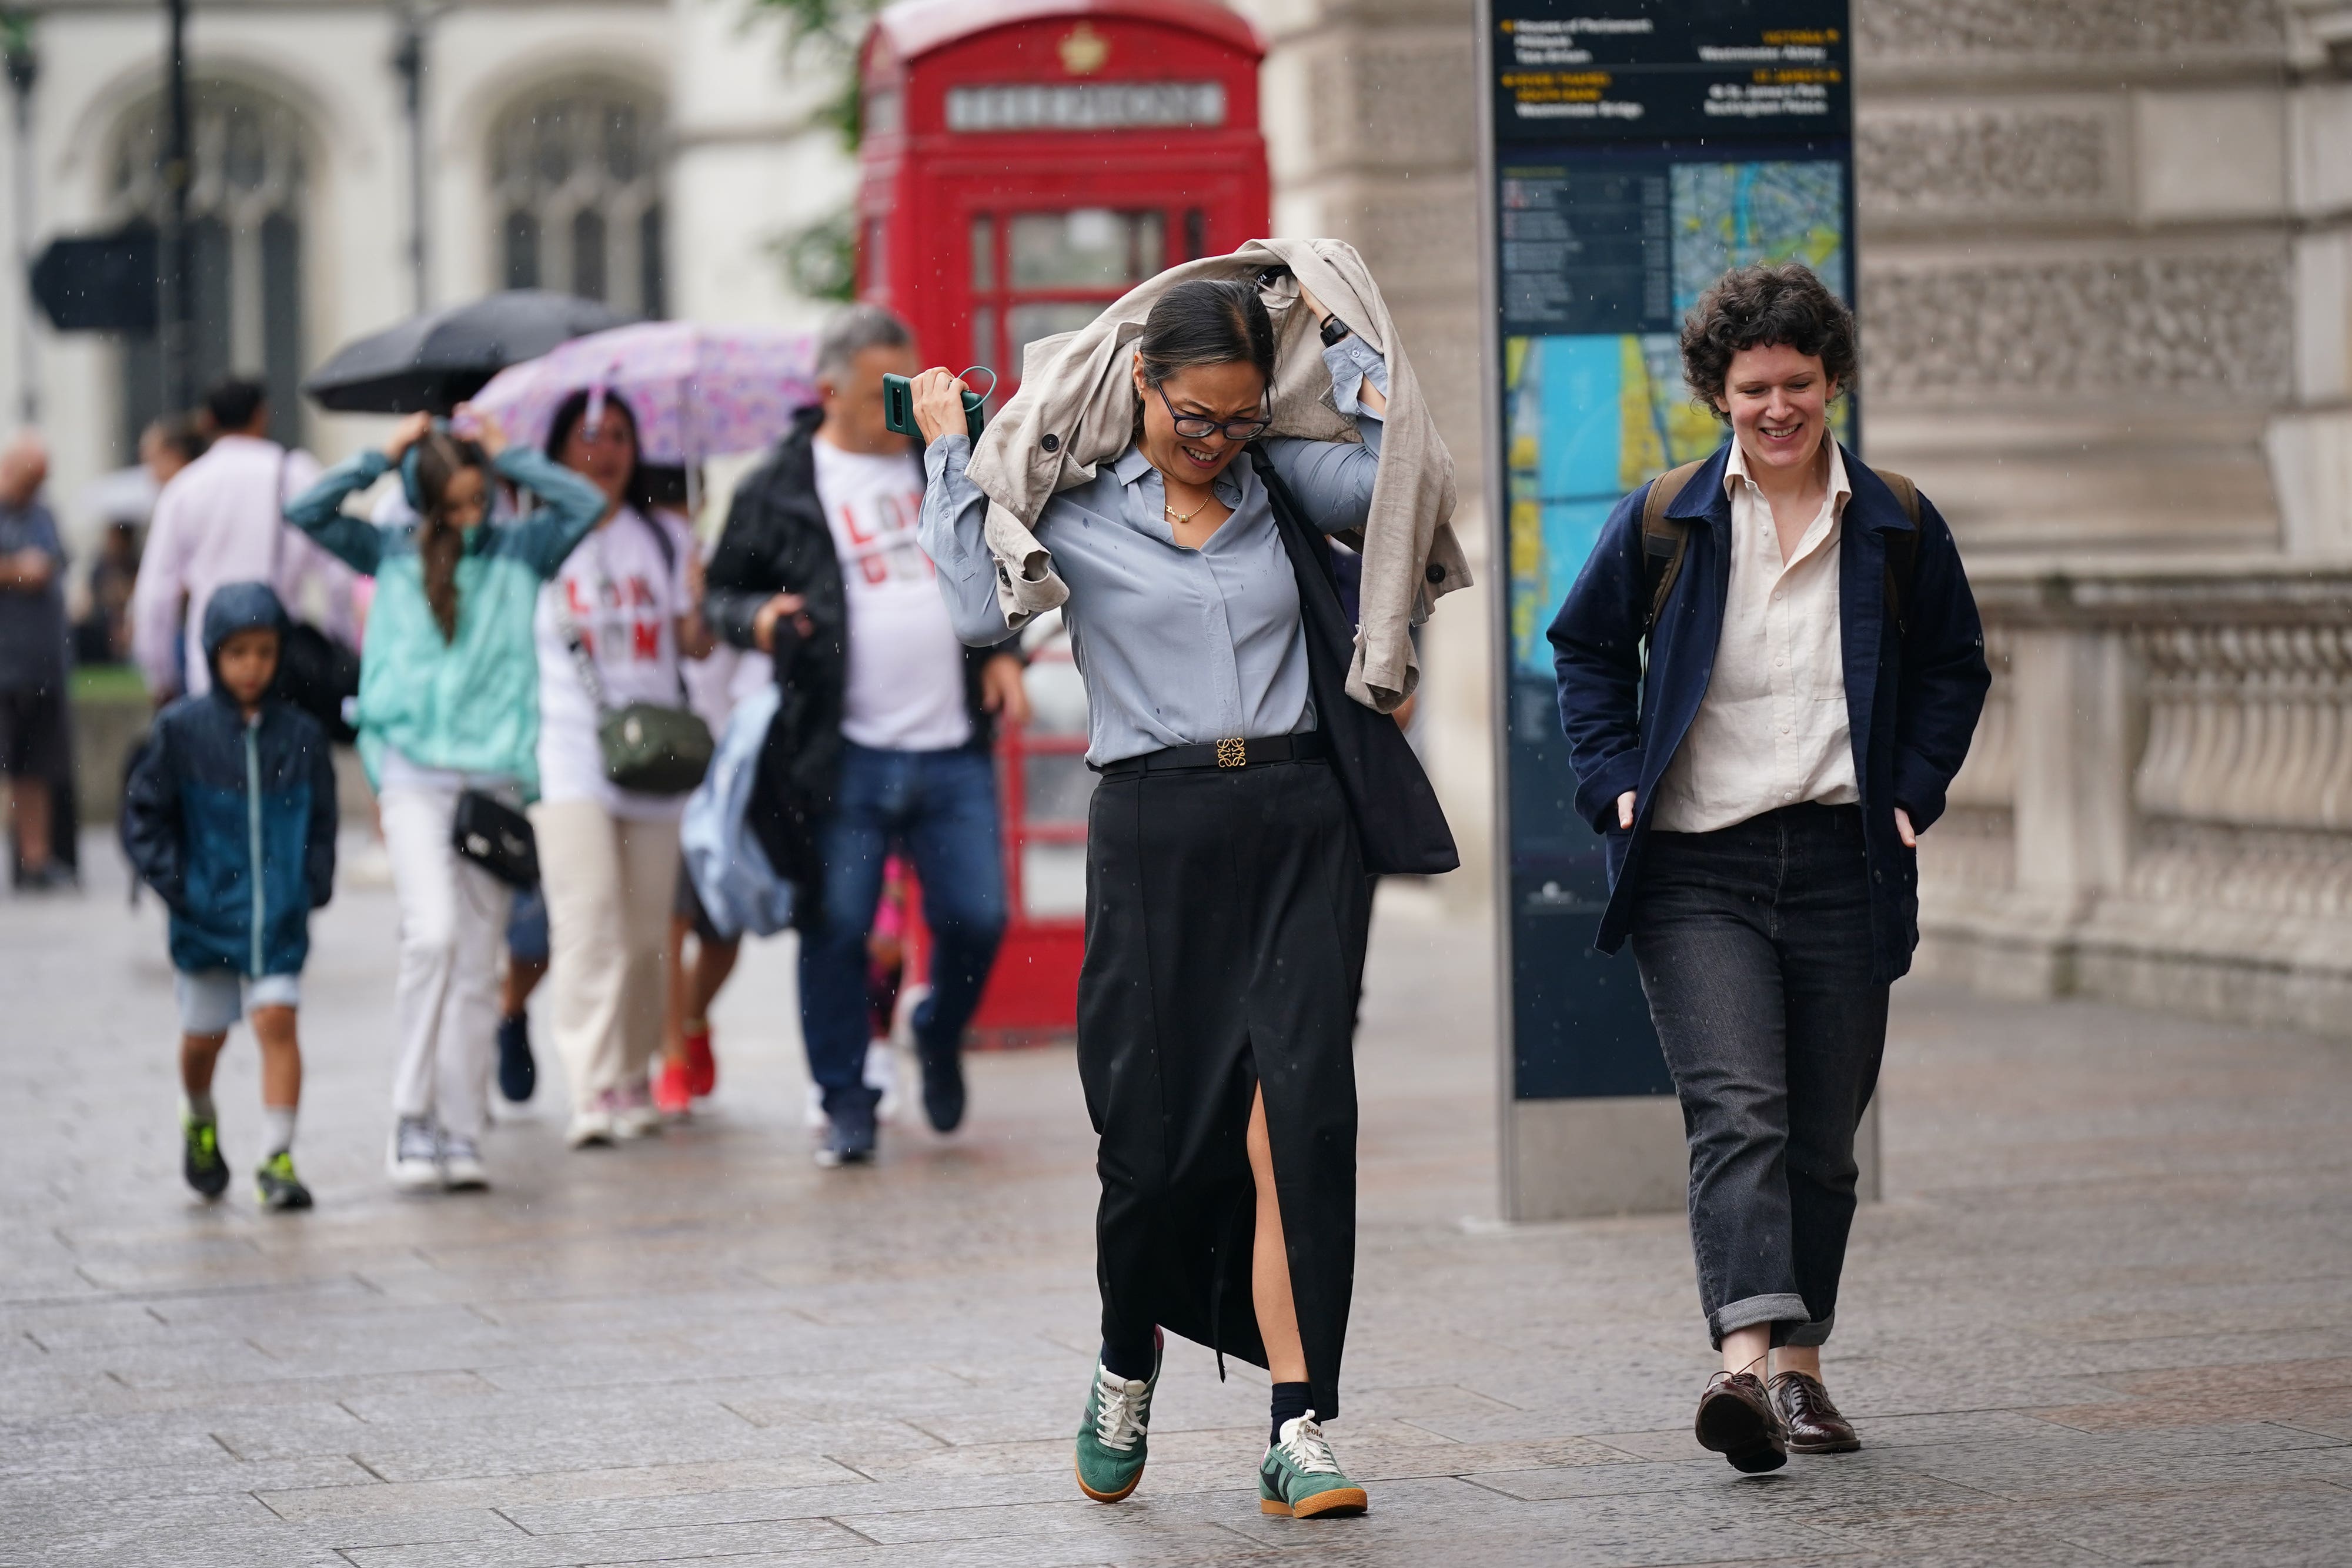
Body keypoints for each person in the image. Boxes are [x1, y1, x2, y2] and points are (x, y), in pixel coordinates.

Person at [914, 278, 1400, 1520]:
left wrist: (1351, 361)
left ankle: (1301, 1422)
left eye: (1241, 419)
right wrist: (947, 455)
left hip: (1298, 824)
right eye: (1197, 416)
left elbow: (1401, 493)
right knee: (1153, 1148)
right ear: (1141, 381)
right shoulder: (1074, 510)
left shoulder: (1284, 482)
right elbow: (977, 614)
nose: (1217, 442)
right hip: (1154, 828)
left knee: (1302, 1123)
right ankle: (1128, 1354)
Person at [1549, 262, 1990, 1473]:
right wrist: (1610, 781)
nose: (1777, 406)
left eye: (1797, 383)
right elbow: (1583, 651)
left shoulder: (1895, 519)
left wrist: (1910, 789)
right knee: (1736, 1108)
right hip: (1697, 866)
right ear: (1716, 392)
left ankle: (1799, 1370)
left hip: (1845, 859)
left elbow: (1955, 665)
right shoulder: (1666, 516)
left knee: (1820, 1140)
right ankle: (1742, 1363)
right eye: (1753, 387)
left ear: (1831, 382)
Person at [704, 304, 1027, 1167]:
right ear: (829, 392)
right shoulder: (777, 485)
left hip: (952, 743)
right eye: (889, 391)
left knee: (979, 916)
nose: (908, 406)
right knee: (837, 924)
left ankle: (939, 1025)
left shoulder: (948, 457)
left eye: (915, 386)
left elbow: (1008, 553)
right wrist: (756, 617)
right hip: (839, 751)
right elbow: (717, 596)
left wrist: (1006, 653)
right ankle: (847, 1096)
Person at [284, 407, 606, 1192]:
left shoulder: (520, 549)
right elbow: (306, 511)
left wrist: (510, 455)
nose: (468, 517)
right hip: (413, 779)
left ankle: (461, 1130)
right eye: (453, 504)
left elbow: (585, 505)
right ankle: (410, 1115)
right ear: (424, 503)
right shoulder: (388, 550)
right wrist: (379, 455)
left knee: (474, 965)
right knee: (430, 937)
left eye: (478, 499)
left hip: (493, 783)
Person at [121, 582, 336, 1210]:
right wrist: (181, 887)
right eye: (238, 652)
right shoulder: (181, 731)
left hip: (278, 919)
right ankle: (198, 1112)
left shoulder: (301, 734)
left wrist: (312, 883)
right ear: (214, 654)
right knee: (203, 1037)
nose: (252, 667)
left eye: (266, 652)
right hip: (206, 920)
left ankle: (277, 1157)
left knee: (277, 1018)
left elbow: (322, 819)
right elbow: (144, 816)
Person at [534, 390, 712, 1149]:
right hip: (569, 749)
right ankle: (590, 1080)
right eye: (586, 435)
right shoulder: (534, 539)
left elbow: (694, 646)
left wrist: (702, 600)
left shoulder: (664, 536)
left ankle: (635, 1070)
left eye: (617, 436)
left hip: (654, 755)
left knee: (647, 934)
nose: (602, 450)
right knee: (589, 918)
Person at [131, 377, 354, 704]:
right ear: (262, 415)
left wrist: (159, 674)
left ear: (207, 421)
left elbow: (156, 593)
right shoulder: (297, 475)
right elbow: (338, 573)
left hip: (210, 664)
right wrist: (339, 638)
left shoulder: (186, 489)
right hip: (283, 661)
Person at [0, 432, 73, 890]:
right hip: (4, 664)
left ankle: (36, 858)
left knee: (37, 767)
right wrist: (13, 570)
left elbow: (60, 560)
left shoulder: (44, 513)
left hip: (43, 664)